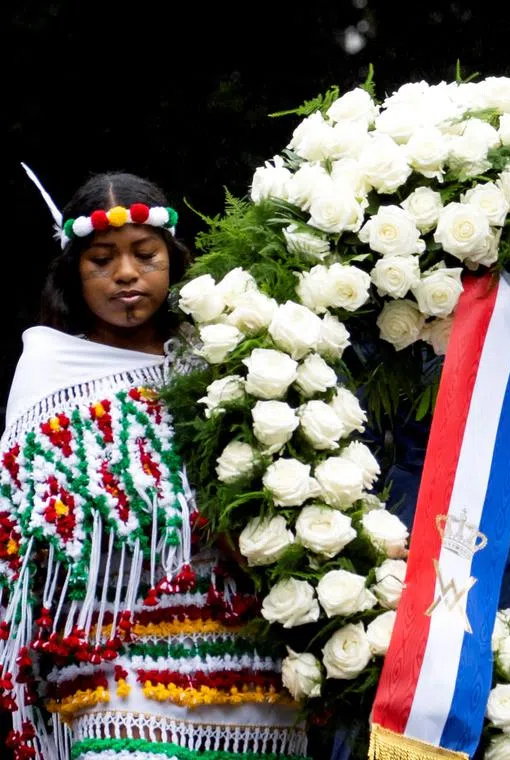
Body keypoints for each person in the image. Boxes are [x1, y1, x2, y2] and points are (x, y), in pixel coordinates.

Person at [0, 171, 308, 760]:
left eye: (145, 255)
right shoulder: (47, 370)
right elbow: (29, 537)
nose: (125, 274)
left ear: (173, 261)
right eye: (101, 259)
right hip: (112, 649)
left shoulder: (220, 355)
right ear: (74, 271)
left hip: (249, 651)